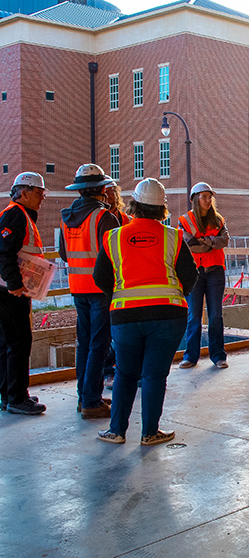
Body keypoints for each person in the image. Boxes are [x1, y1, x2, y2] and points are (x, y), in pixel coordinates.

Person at [94, 178, 197, 445]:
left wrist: (120, 295)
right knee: (154, 375)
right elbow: (190, 276)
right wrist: (172, 294)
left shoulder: (114, 237)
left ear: (134, 205)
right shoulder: (173, 236)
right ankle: (149, 432)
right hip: (168, 317)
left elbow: (100, 278)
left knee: (125, 373)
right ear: (162, 209)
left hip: (125, 317)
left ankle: (116, 431)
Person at [59, 164, 118, 419]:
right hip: (100, 289)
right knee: (99, 344)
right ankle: (92, 401)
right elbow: (114, 256)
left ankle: (84, 396)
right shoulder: (104, 217)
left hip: (77, 288)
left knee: (84, 343)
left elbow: (63, 253)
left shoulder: (67, 217)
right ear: (101, 189)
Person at [0, 172, 48, 415]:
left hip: (8, 290)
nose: (42, 197)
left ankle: (9, 394)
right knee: (19, 342)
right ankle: (17, 397)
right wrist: (15, 284)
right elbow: (4, 252)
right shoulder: (15, 215)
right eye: (39, 192)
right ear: (24, 192)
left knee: (7, 343)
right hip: (10, 292)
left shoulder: (20, 215)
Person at [178, 182, 230, 369]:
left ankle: (218, 356)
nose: (208, 201)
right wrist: (211, 243)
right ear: (194, 199)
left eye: (210, 197)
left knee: (216, 314)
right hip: (195, 273)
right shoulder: (184, 221)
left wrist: (204, 241)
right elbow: (189, 244)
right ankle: (191, 356)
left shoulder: (218, 220)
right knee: (194, 315)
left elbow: (224, 240)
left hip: (215, 271)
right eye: (204, 197)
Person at [101, 180, 130, 389]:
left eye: (112, 192)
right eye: (105, 192)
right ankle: (108, 371)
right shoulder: (98, 219)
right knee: (104, 332)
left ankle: (124, 368)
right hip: (103, 285)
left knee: (123, 331)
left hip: (126, 283)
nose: (109, 196)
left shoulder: (126, 220)